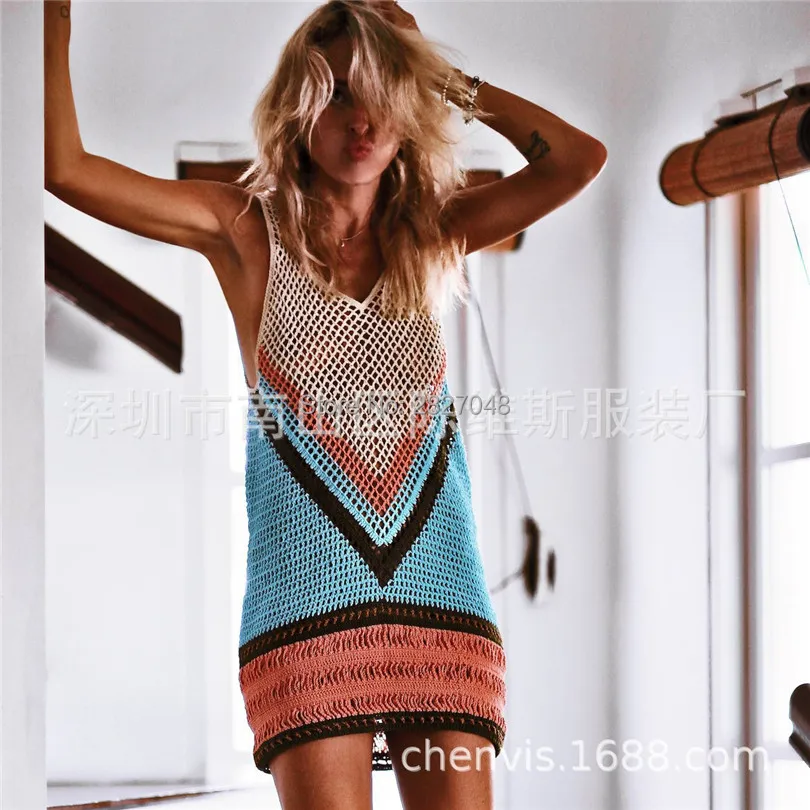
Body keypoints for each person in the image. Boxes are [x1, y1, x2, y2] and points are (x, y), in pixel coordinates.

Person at [45, 1, 606, 808]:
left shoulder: (429, 236)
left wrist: (440, 76)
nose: (363, 119)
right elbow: (64, 167)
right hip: (303, 608)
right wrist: (49, 16)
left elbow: (578, 160)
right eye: (339, 92)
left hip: (442, 600)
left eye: (383, 92)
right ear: (297, 106)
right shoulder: (244, 232)